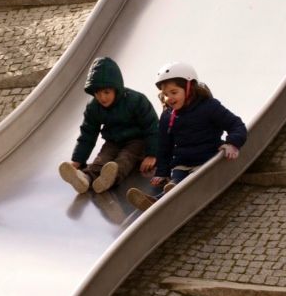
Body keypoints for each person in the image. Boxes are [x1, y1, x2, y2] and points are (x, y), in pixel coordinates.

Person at [127, 61, 247, 212]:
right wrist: (162, 172)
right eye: (165, 94)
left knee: (187, 184)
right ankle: (157, 200)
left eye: (174, 92)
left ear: (189, 88)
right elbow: (165, 146)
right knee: (176, 180)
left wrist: (232, 143)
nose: (169, 98)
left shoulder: (209, 107)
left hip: (206, 160)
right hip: (182, 163)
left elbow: (236, 125)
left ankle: (168, 195)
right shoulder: (167, 116)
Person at [59, 56, 159, 195]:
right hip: (113, 141)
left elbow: (152, 126)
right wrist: (77, 161)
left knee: (125, 158)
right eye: (98, 93)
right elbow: (88, 133)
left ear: (116, 89)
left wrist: (152, 154)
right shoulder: (94, 107)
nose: (102, 98)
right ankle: (85, 179)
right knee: (102, 159)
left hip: (137, 140)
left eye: (106, 92)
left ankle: (111, 178)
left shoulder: (136, 100)